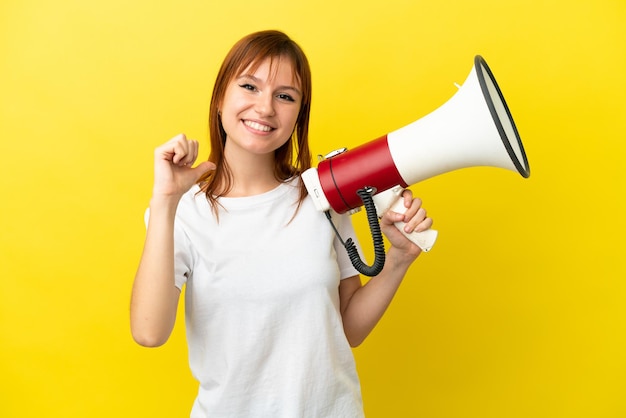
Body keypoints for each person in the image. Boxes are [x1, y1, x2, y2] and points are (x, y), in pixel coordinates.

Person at [130, 29, 433, 418]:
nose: (265, 107)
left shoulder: (324, 195)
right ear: (220, 97)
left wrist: (399, 259)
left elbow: (348, 329)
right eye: (249, 86)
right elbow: (149, 332)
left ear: (298, 115)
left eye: (285, 96)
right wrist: (165, 200)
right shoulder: (182, 211)